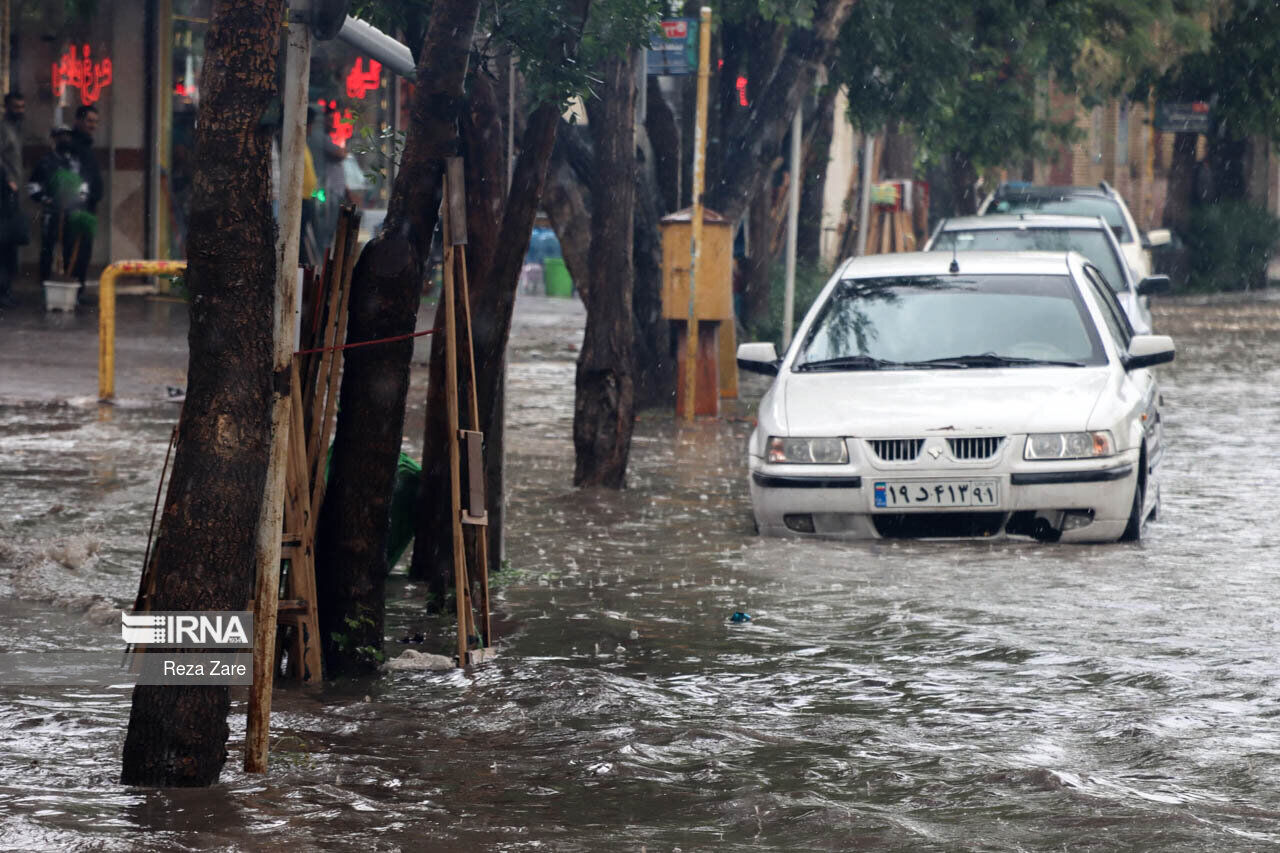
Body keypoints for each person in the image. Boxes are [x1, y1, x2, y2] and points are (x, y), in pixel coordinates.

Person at [28, 126, 89, 286]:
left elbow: (83, 184)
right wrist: (45, 199)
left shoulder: (75, 163)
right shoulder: (45, 162)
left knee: (70, 248)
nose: (65, 140)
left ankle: (69, 283)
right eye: (61, 136)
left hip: (71, 212)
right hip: (51, 212)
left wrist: (80, 199)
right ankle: (45, 284)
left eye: (68, 136)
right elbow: (33, 186)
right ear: (54, 138)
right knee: (48, 249)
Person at [67, 105, 103, 301]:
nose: (93, 126)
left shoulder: (85, 145)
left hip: (87, 205)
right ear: (79, 121)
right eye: (89, 121)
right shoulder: (74, 145)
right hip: (78, 206)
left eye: (95, 122)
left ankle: (78, 290)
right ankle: (73, 290)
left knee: (83, 249)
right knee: (76, 249)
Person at [0, 92, 25, 309]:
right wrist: (7, 178)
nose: (20, 111)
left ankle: (6, 289)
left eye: (22, 107)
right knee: (5, 243)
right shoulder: (3, 129)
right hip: (4, 193)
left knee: (10, 244)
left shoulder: (15, 130)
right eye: (16, 107)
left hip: (11, 194)